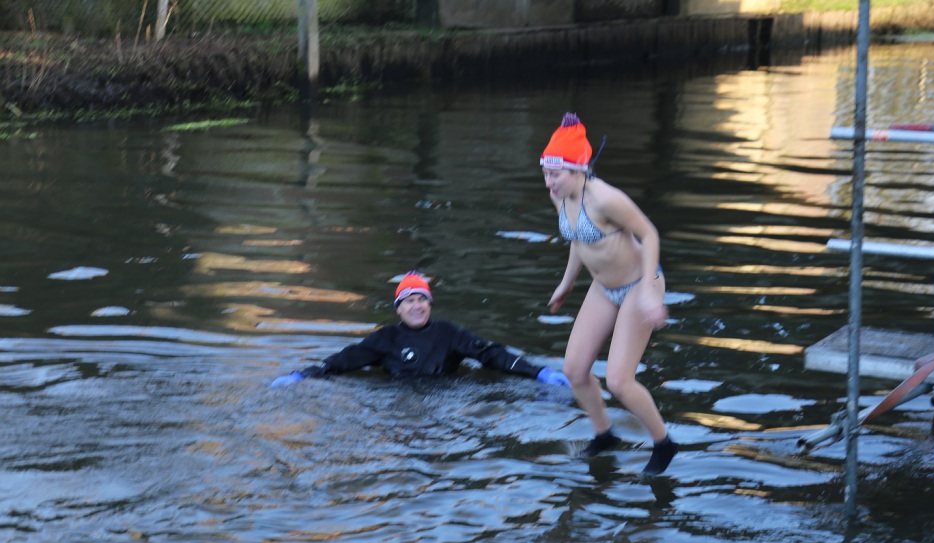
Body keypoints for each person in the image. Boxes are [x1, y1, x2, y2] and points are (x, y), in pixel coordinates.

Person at [539, 112, 677, 476]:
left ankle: (664, 443)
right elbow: (577, 238)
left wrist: (650, 293)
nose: (549, 182)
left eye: (556, 174)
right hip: (603, 287)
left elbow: (649, 234)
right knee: (574, 370)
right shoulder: (559, 195)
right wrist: (567, 282)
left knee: (618, 381)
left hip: (639, 284)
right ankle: (605, 434)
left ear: (578, 170)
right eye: (546, 174)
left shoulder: (605, 199)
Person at [271, 271, 571, 388]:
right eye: (409, 301)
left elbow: (491, 354)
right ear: (398, 308)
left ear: (430, 304)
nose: (417, 306)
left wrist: (538, 372)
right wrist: (303, 374)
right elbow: (343, 361)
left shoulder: (448, 333)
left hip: (444, 398)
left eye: (422, 299)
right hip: (397, 399)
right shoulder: (386, 339)